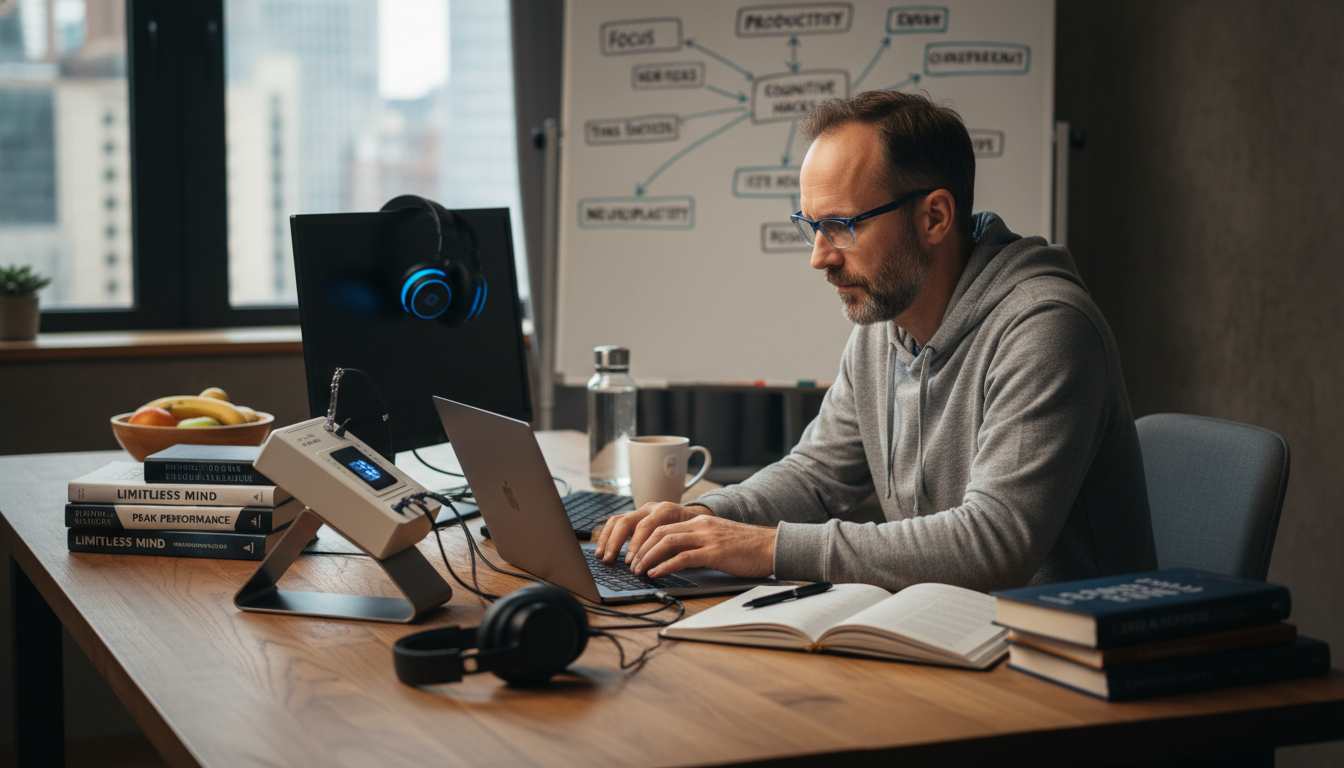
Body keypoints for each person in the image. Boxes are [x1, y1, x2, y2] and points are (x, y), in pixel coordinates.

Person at [595, 90, 1156, 592]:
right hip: (949, 631)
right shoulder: (886, 322)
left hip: (1065, 662)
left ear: (934, 217)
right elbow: (817, 477)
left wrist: (767, 547)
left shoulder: (1045, 328)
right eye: (811, 227)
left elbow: (994, 544)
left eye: (841, 225)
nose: (819, 257)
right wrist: (700, 519)